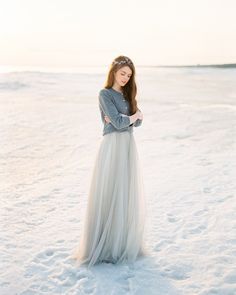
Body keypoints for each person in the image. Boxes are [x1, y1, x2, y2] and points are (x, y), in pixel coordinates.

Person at [72, 55, 147, 268]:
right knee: (110, 192)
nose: (125, 78)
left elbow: (136, 122)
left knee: (124, 193)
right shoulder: (104, 94)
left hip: (127, 146)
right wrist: (130, 119)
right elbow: (120, 121)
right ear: (113, 72)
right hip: (112, 146)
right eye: (122, 73)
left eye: (129, 75)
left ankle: (120, 242)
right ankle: (105, 245)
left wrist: (129, 119)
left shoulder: (127, 93)